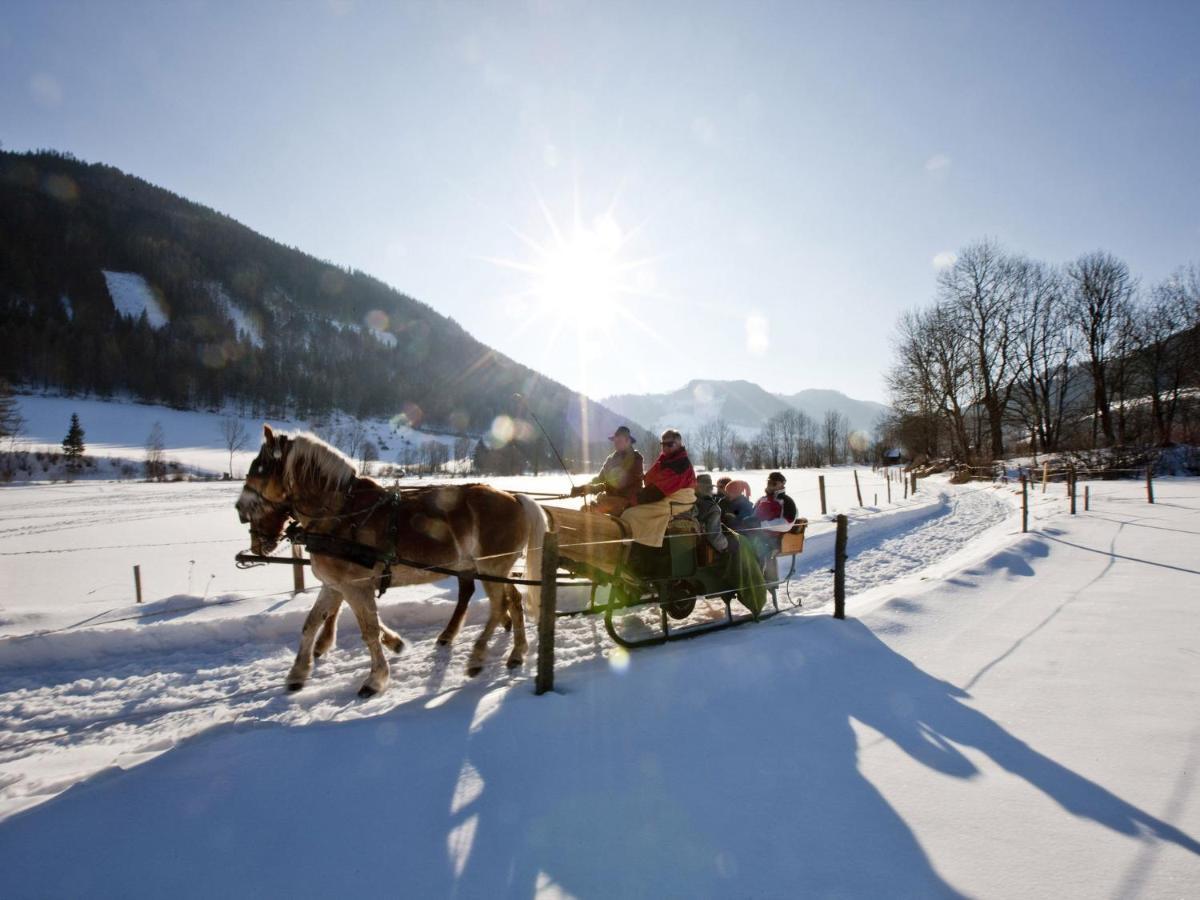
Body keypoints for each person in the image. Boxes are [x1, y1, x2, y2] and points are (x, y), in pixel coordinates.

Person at [620, 428, 697, 547]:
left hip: (677, 500)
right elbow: (651, 479)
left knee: (630, 515)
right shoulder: (666, 459)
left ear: (679, 444)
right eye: (663, 444)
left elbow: (657, 491)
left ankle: (637, 550)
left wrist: (633, 501)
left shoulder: (680, 464)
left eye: (669, 444)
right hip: (665, 495)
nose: (665, 447)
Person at [571, 425, 643, 515]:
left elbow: (619, 483)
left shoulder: (636, 459)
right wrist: (583, 488)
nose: (616, 443)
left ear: (628, 441)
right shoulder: (611, 459)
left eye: (619, 441)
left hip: (628, 502)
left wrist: (593, 489)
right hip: (610, 499)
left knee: (598, 507)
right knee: (585, 509)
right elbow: (600, 479)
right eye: (615, 441)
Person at [751, 471, 799, 580]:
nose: (770, 485)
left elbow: (786, 523)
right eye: (769, 482)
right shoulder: (761, 499)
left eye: (774, 483)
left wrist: (762, 525)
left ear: (782, 485)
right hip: (756, 535)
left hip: (774, 539)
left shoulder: (786, 501)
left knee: (758, 547)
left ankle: (760, 580)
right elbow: (753, 516)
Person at [692, 473, 729, 554]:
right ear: (710, 488)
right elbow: (714, 535)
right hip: (703, 550)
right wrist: (726, 546)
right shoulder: (712, 508)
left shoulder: (690, 502)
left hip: (691, 545)